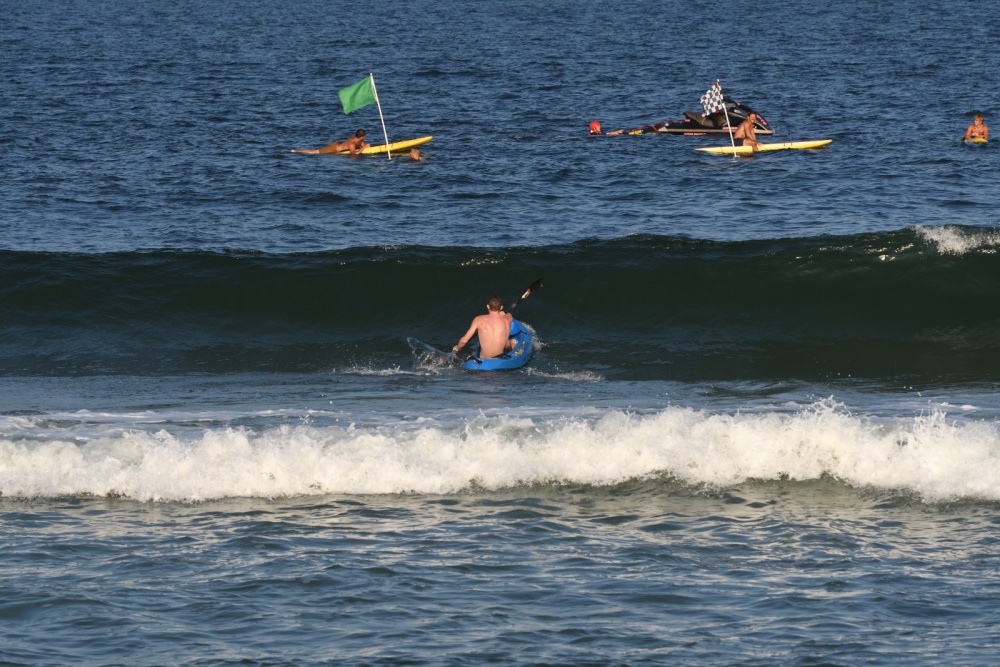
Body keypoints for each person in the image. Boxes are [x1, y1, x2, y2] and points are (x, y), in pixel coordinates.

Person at [453, 295, 514, 359]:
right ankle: (512, 347)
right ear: (501, 307)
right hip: (499, 359)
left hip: (483, 359)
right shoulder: (508, 318)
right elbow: (509, 315)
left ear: (488, 306)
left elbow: (464, 341)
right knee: (509, 341)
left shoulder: (478, 319)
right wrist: (503, 314)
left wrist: (457, 347)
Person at [291, 129, 369, 154]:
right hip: (333, 148)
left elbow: (363, 145)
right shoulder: (351, 142)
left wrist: (365, 146)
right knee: (314, 152)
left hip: (339, 144)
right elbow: (354, 153)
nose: (365, 137)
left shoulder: (360, 140)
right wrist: (363, 148)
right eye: (364, 136)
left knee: (314, 151)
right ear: (362, 136)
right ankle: (297, 151)